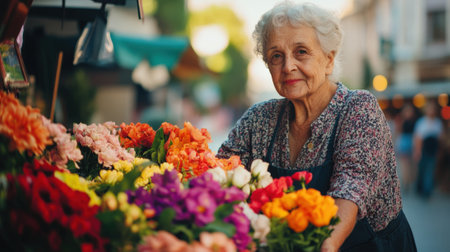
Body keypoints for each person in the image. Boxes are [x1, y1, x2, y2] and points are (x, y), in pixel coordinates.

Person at [216, 1, 416, 251]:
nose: (288, 66)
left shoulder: (358, 108)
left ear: (329, 60)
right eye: (276, 56)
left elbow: (351, 189)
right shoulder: (259, 119)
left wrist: (328, 243)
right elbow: (217, 173)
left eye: (301, 51)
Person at [413, 101, 443, 199]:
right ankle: (420, 188)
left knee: (429, 171)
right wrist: (417, 151)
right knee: (422, 170)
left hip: (432, 150)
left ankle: (427, 191)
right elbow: (417, 138)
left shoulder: (438, 123)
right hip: (423, 149)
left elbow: (439, 138)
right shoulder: (421, 122)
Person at [396, 104, 417, 193]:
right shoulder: (402, 121)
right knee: (405, 165)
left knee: (410, 165)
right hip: (405, 143)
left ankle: (408, 181)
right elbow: (398, 133)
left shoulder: (413, 122)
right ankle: (406, 182)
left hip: (410, 142)